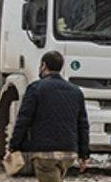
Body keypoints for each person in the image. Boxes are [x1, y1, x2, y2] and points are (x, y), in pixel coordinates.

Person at [6, 51, 90, 181]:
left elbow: (24, 119)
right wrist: (84, 154)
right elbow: (82, 124)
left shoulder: (36, 88)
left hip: (45, 152)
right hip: (69, 152)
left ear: (44, 65)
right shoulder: (75, 91)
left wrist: (13, 146)